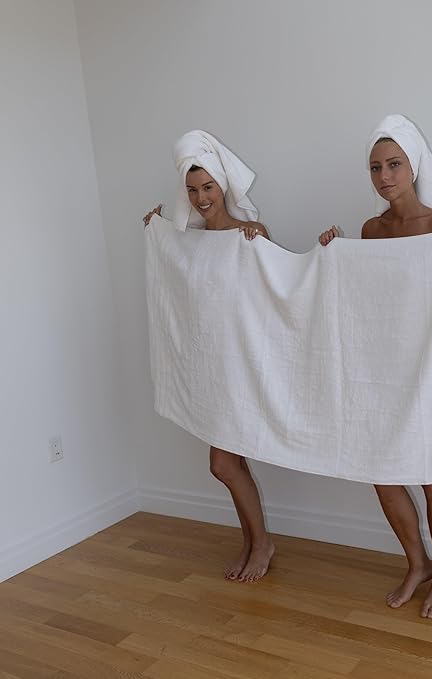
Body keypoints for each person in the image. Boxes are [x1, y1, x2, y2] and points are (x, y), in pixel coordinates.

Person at [319, 114, 432, 618]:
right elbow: (365, 296)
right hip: (383, 369)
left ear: (413, 166)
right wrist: (334, 254)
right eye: (375, 167)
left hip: (428, 369)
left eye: (394, 164)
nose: (384, 176)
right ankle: (417, 563)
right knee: (382, 474)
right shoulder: (371, 230)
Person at [143, 130, 274, 582]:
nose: (201, 198)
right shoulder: (191, 243)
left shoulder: (250, 235)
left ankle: (262, 543)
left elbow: (272, 296)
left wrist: (260, 244)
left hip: (240, 369)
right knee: (231, 464)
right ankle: (253, 541)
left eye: (208, 187)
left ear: (223, 186)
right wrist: (160, 236)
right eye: (193, 190)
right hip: (210, 371)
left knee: (222, 464)